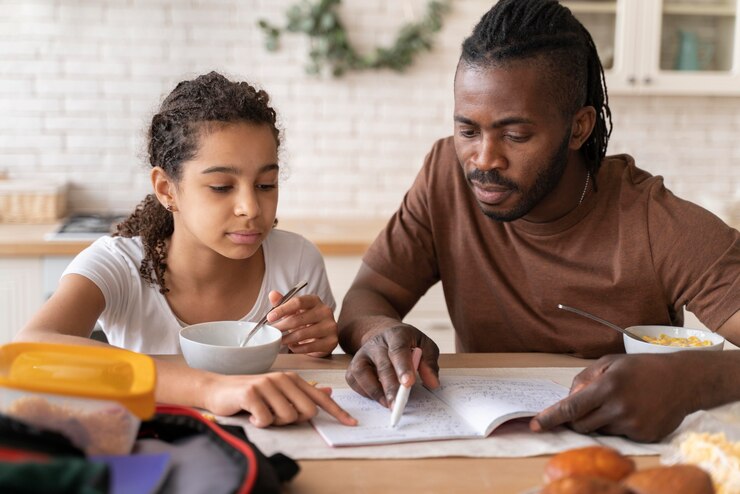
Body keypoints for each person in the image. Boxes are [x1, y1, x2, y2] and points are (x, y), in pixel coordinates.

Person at [337, 0, 740, 442]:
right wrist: (383, 333)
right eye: (468, 131)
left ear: (579, 128)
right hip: (482, 450)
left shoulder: (655, 223)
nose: (483, 160)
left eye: (515, 135)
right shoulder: (444, 177)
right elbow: (370, 292)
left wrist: (690, 381)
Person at [16, 71, 356, 429]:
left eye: (265, 184)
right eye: (222, 187)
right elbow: (31, 351)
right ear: (166, 189)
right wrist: (209, 388)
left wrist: (317, 348)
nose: (251, 208)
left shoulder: (297, 261)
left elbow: (317, 375)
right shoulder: (117, 263)